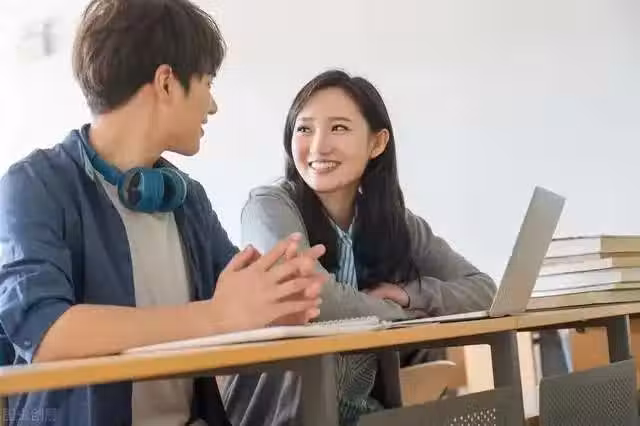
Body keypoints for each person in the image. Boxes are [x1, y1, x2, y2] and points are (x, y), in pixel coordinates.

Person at [0, 1, 327, 425]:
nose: (213, 106)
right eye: (207, 82)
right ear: (167, 83)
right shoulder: (34, 185)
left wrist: (278, 301)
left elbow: (238, 307)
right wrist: (215, 316)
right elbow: (48, 333)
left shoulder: (187, 199)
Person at [221, 70, 497, 426]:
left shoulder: (394, 222)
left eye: (338, 128)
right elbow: (313, 300)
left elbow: (483, 291)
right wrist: (403, 316)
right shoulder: (268, 207)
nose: (318, 146)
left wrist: (410, 295)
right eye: (304, 129)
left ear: (377, 143)